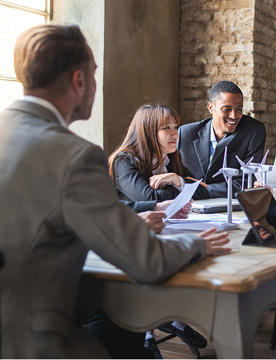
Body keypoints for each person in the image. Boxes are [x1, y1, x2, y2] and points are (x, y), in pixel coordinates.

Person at [0, 24, 231, 358]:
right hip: (28, 342)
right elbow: (147, 261)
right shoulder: (76, 156)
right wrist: (197, 243)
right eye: (95, 74)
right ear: (79, 80)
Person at [177, 80, 266, 198]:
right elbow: (176, 175)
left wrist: (201, 190)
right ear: (210, 107)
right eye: (227, 109)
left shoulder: (253, 131)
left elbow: (247, 182)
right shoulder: (186, 133)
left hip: (230, 206)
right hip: (187, 206)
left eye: (239, 109)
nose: (234, 115)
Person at [109, 104, 208, 201]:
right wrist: (179, 186)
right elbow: (150, 198)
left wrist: (177, 180)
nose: (175, 134)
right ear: (148, 131)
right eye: (166, 128)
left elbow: (204, 192)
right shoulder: (123, 161)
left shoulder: (171, 158)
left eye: (175, 127)